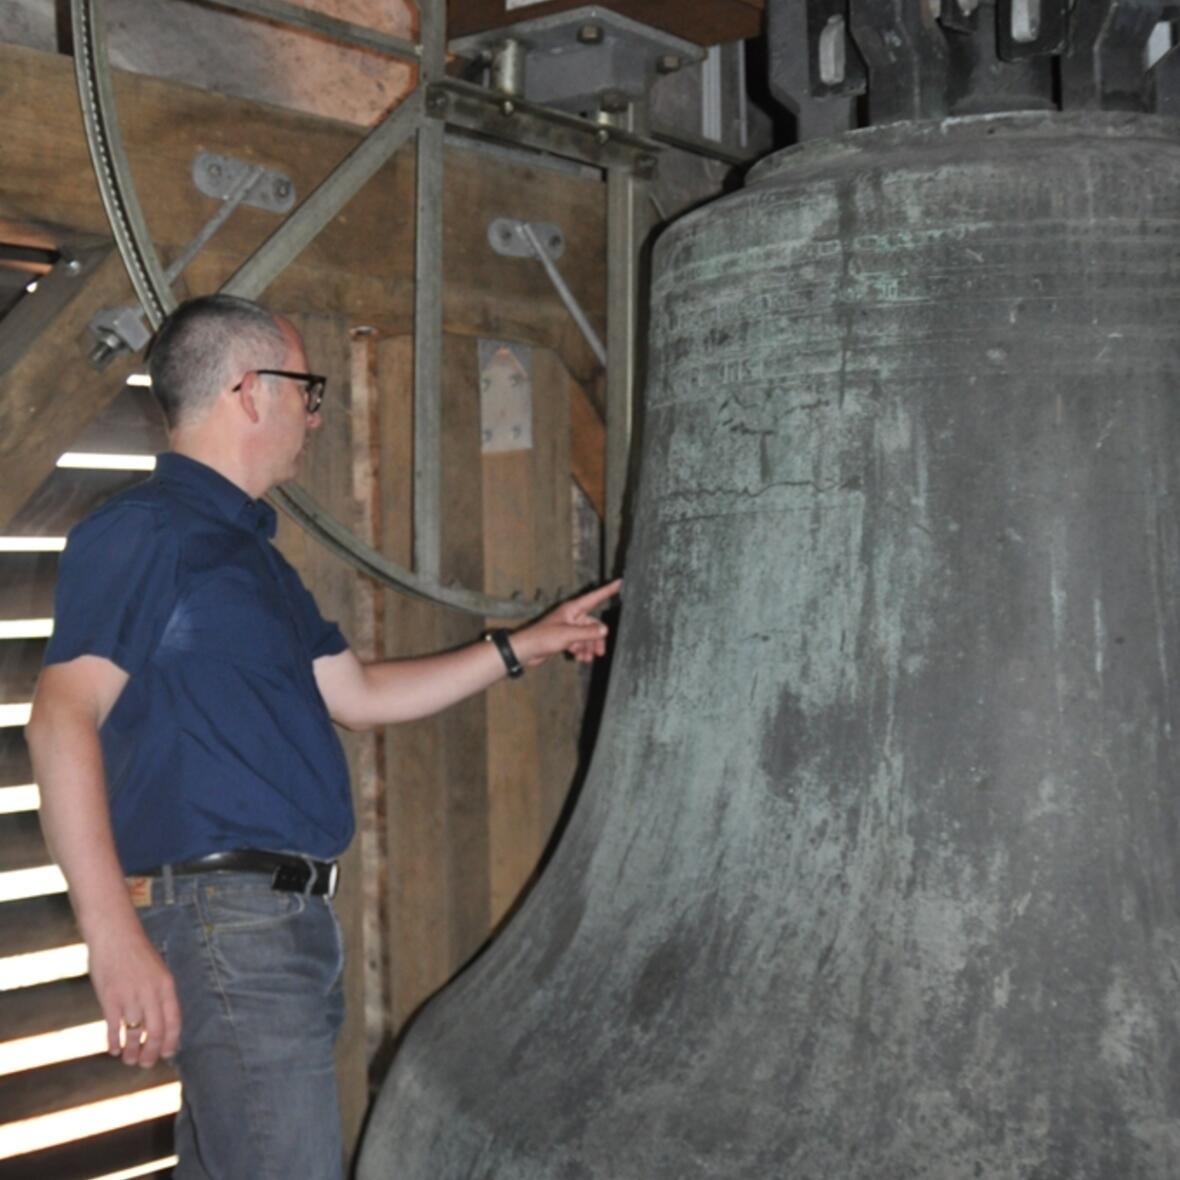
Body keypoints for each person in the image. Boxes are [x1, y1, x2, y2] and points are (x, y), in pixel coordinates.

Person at [25, 294, 621, 1179]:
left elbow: (359, 693)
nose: (315, 412)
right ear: (249, 390)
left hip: (282, 928)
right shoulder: (144, 530)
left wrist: (519, 646)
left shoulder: (254, 558)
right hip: (232, 926)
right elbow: (59, 716)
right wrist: (111, 932)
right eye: (308, 391)